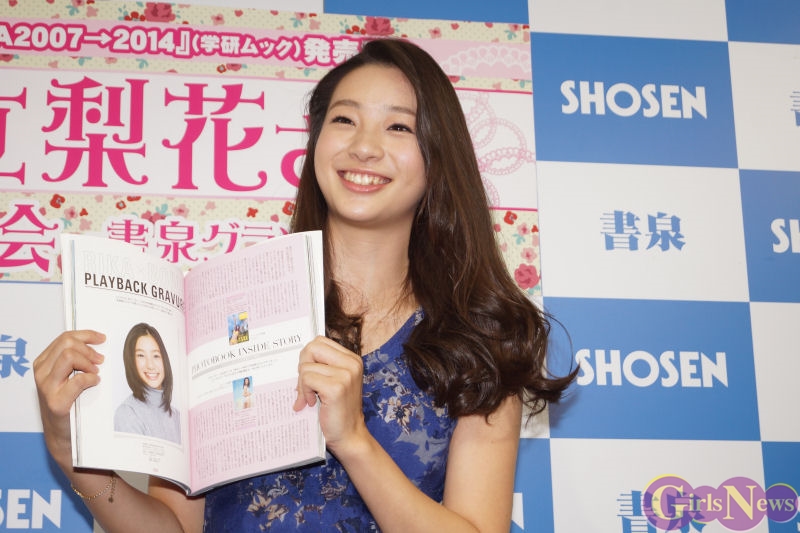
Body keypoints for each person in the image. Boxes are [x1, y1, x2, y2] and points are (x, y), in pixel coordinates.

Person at [33, 38, 576, 532]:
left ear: (439, 155)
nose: (364, 147)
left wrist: (354, 440)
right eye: (344, 119)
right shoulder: (225, 309)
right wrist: (71, 454)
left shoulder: (482, 340)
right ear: (316, 142)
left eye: (398, 127)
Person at [114, 323, 181, 444]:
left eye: (156, 355)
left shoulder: (177, 416)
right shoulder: (127, 413)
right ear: (131, 361)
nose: (150, 365)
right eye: (141, 355)